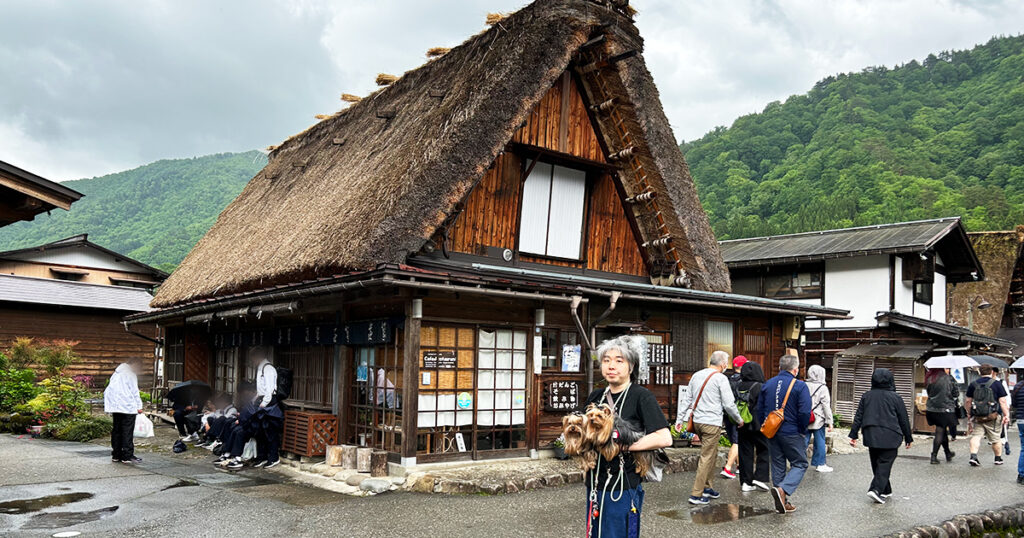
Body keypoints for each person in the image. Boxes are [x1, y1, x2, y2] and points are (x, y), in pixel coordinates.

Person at [583, 336, 671, 538]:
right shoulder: (596, 397)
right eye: (606, 360)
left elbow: (664, 438)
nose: (611, 365)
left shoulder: (641, 396)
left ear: (631, 366)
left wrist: (623, 446)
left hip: (623, 484)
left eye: (618, 360)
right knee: (594, 533)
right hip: (595, 482)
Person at [676, 350, 744, 505]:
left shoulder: (696, 375)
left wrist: (680, 419)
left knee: (711, 455)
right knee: (707, 457)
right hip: (711, 423)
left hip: (697, 421)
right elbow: (728, 404)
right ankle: (696, 494)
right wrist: (739, 419)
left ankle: (708, 487)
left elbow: (688, 399)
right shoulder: (721, 379)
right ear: (723, 364)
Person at [848, 368, 913, 504]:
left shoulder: (867, 396)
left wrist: (853, 434)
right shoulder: (895, 397)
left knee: (877, 462)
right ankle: (876, 489)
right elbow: (903, 419)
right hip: (891, 434)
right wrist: (908, 437)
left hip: (871, 434)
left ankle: (885, 490)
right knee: (884, 463)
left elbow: (859, 416)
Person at [756, 354, 811, 514]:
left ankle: (783, 502)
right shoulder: (800, 386)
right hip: (792, 430)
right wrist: (802, 430)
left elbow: (760, 410)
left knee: (778, 465)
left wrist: (765, 426)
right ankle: (783, 491)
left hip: (772, 431)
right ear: (795, 369)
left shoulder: (768, 384)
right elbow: (805, 412)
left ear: (779, 367)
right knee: (800, 463)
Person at [735, 361, 771, 492]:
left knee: (745, 452)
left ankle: (746, 482)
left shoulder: (739, 386)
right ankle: (760, 477)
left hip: (742, 422)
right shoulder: (761, 386)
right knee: (764, 448)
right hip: (758, 423)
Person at [966, 365, 1011, 467]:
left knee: (976, 436)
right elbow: (1003, 401)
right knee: (995, 439)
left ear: (979, 372)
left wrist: (969, 413)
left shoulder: (973, 384)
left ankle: (973, 456)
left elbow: (968, 401)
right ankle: (998, 458)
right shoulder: (997, 384)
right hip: (993, 416)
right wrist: (1006, 415)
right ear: (991, 372)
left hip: (978, 416)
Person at [103, 357, 145, 464]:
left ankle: (116, 455)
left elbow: (109, 390)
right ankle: (127, 455)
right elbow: (134, 391)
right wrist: (139, 406)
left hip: (115, 407)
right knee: (127, 431)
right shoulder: (130, 374)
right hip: (128, 406)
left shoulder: (116, 373)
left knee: (117, 431)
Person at [252, 346, 284, 469]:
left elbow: (269, 390)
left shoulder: (268, 368)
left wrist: (264, 403)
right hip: (261, 400)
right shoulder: (260, 368)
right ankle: (262, 457)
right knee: (260, 431)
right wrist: (254, 400)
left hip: (269, 402)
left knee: (270, 430)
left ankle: (273, 457)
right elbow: (260, 388)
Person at [215, 382, 259, 470]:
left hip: (255, 426)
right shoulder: (250, 400)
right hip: (247, 423)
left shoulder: (258, 400)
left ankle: (237, 458)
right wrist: (240, 417)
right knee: (233, 428)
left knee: (239, 432)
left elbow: (253, 414)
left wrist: (241, 418)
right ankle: (227, 453)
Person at [720, 355, 749, 480]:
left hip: (727, 414)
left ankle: (739, 466)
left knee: (734, 440)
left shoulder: (727, 380)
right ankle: (728, 467)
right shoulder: (744, 381)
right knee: (738, 441)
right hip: (738, 414)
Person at [925, 367, 959, 464]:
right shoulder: (948, 378)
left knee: (942, 430)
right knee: (940, 431)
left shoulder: (929, 378)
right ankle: (933, 456)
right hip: (944, 409)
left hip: (931, 408)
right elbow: (955, 393)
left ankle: (947, 453)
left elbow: (928, 393)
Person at [805, 365, 834, 473]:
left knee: (803, 441)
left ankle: (797, 463)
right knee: (820, 441)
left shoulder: (804, 385)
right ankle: (820, 464)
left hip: (805, 417)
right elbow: (826, 406)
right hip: (818, 419)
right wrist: (830, 421)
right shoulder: (823, 388)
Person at [1012, 376, 1024, 484]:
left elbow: (1014, 404)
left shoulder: (1018, 386)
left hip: (1021, 420)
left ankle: (1021, 475)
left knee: (1023, 448)